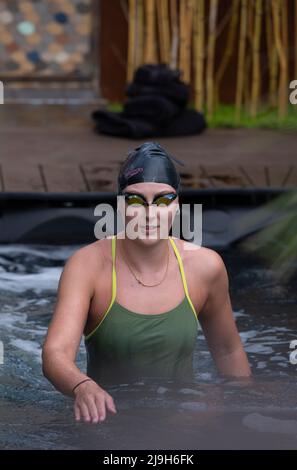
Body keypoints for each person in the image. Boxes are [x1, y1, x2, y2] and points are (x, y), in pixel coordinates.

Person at [42, 142, 251, 425]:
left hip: (183, 420)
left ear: (177, 205)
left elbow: (228, 349)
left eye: (163, 200)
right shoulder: (87, 266)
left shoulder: (205, 267)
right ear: (119, 204)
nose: (150, 213)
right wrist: (83, 386)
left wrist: (242, 410)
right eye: (136, 200)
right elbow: (56, 353)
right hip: (108, 419)